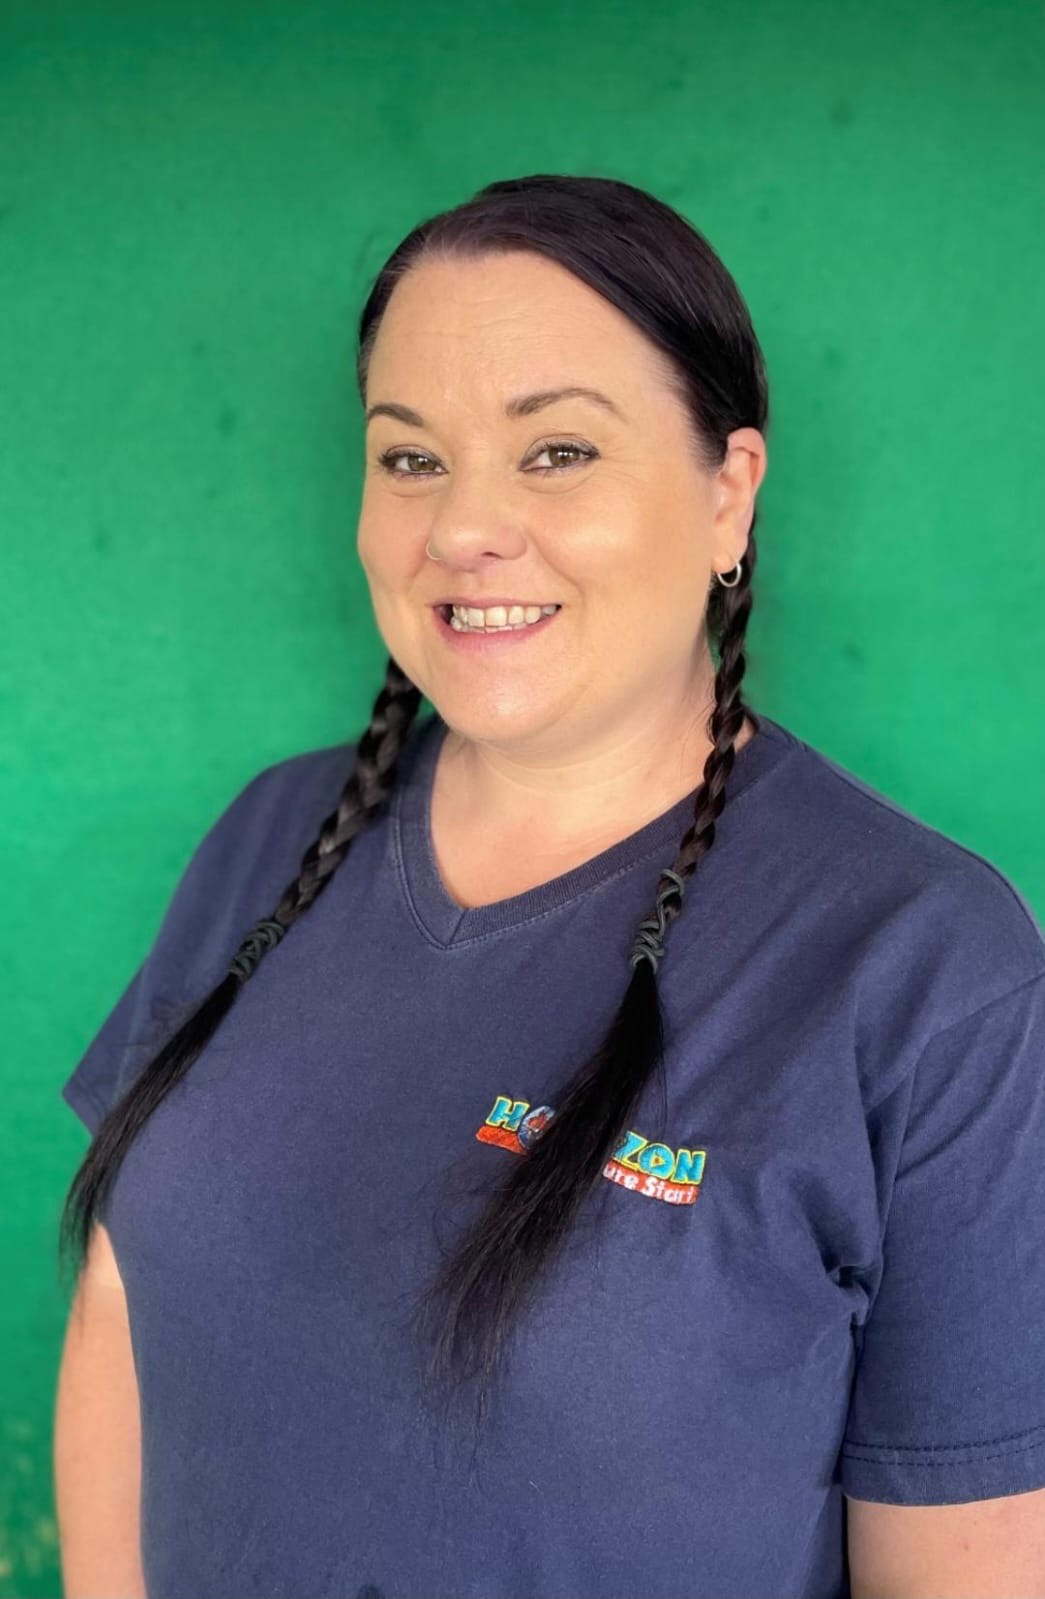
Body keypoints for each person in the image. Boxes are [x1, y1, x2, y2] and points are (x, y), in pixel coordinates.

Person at [54, 174, 1045, 1599]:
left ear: (727, 493)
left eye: (559, 451)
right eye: (410, 458)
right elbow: (122, 1297)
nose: (463, 527)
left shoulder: (926, 970)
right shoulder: (276, 839)